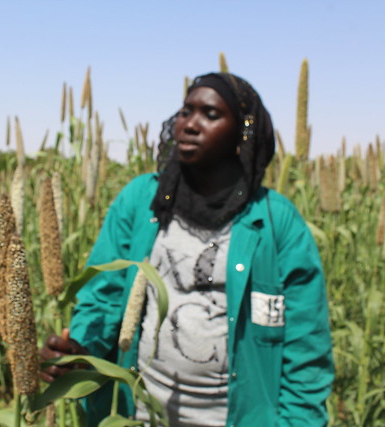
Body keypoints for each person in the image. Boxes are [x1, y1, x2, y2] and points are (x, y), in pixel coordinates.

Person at [41, 72, 334, 426]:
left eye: (210, 115)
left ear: (242, 134)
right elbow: (103, 297)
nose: (189, 124)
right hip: (137, 414)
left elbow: (306, 354)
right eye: (185, 111)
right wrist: (81, 352)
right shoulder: (142, 201)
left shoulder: (277, 223)